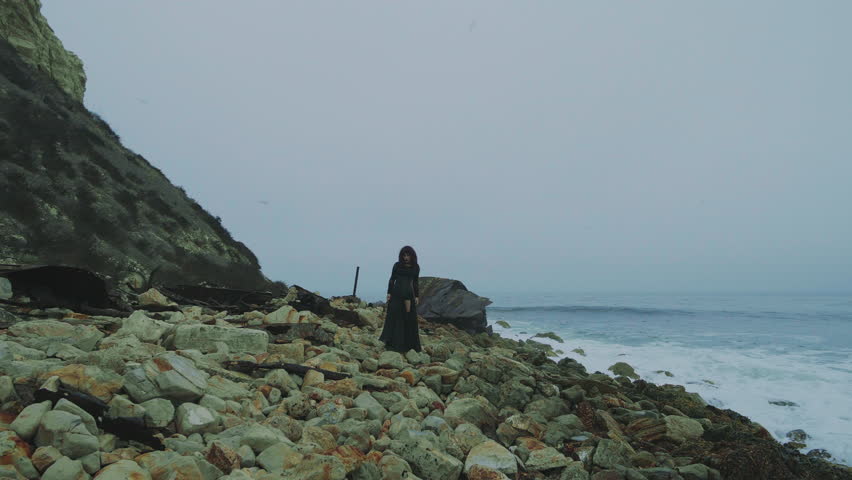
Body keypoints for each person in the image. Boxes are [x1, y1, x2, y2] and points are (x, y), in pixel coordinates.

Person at [379, 245, 422, 352]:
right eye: (404, 255)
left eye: (408, 255)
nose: (406, 257)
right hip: (396, 294)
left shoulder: (416, 267)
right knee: (395, 317)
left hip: (409, 296)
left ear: (412, 256)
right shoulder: (397, 265)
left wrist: (417, 296)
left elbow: (415, 282)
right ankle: (393, 343)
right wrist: (389, 293)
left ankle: (409, 345)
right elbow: (392, 279)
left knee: (408, 319)